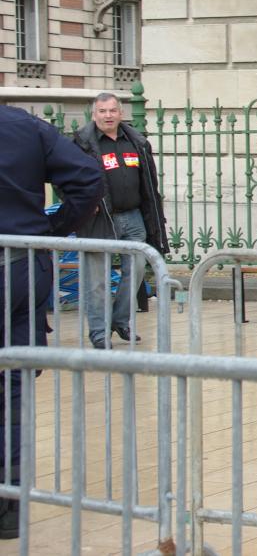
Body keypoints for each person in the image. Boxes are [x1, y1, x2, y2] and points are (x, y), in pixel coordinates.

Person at [0, 106, 103, 538]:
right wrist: (51, 230)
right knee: (14, 386)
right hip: (22, 263)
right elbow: (88, 178)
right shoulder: (24, 125)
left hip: (24, 257)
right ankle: (9, 506)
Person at [73, 93, 169, 349]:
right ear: (94, 115)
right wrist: (83, 203)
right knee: (97, 281)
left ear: (121, 113)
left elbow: (150, 183)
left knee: (136, 272)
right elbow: (65, 181)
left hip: (134, 217)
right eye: (102, 111)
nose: (108, 116)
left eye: (112, 110)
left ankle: (120, 321)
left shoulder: (136, 142)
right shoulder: (81, 143)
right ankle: (98, 333)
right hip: (100, 221)